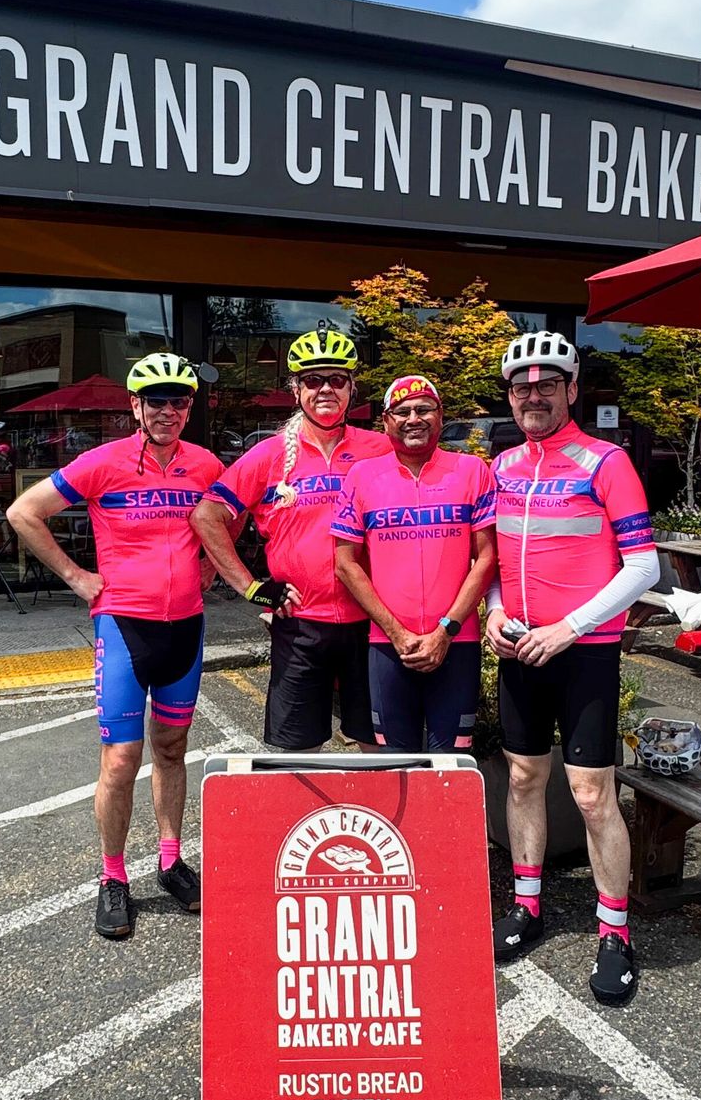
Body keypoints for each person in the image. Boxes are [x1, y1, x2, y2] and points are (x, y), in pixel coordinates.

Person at [7, 353, 223, 939]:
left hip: (186, 626)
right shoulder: (103, 462)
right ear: (135, 406)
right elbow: (23, 513)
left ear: (188, 407)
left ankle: (171, 861)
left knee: (173, 748)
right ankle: (113, 876)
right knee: (122, 759)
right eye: (156, 400)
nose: (167, 410)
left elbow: (229, 516)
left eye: (178, 400)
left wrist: (211, 563)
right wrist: (76, 577)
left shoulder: (205, 464)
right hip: (124, 627)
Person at [485, 331, 660, 1008]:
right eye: (522, 387)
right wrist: (494, 612)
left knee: (591, 795)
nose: (534, 395)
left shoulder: (606, 462)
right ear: (510, 396)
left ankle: (614, 933)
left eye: (548, 385)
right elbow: (494, 559)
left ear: (572, 389)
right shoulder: (502, 466)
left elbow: (643, 567)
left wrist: (571, 628)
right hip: (521, 646)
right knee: (523, 778)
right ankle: (527, 904)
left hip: (582, 650)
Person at [192, 324, 391, 753]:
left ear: (352, 389)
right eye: (313, 380)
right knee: (298, 757)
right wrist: (251, 588)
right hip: (300, 625)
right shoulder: (269, 455)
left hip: (372, 623)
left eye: (337, 379)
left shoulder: (381, 449)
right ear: (296, 390)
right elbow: (207, 516)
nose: (326, 389)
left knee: (378, 750)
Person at [331, 375, 496, 752]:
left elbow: (487, 558)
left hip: (457, 642)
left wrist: (445, 631)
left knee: (451, 766)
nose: (413, 419)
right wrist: (396, 633)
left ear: (441, 416)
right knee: (393, 766)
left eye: (424, 409)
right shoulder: (362, 476)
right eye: (402, 412)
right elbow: (345, 564)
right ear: (386, 422)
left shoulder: (472, 470)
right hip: (388, 645)